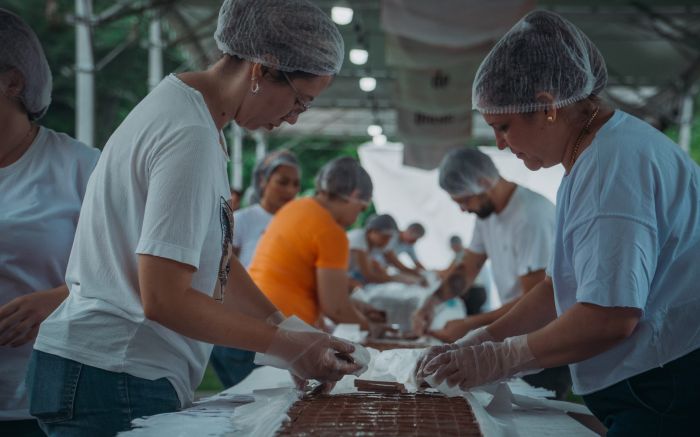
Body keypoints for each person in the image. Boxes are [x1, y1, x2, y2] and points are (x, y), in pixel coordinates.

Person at [27, 1, 360, 435]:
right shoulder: (190, 135)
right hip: (113, 371)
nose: (294, 118)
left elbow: (217, 258)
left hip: (107, 369)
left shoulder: (191, 116)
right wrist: (286, 345)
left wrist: (288, 331)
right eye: (300, 101)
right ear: (261, 69)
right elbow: (165, 298)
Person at [416, 10, 700, 436]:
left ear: (547, 107)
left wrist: (501, 356)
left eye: (504, 126)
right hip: (650, 378)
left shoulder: (611, 167)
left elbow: (608, 316)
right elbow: (559, 287)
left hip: (663, 380)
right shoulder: (596, 156)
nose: (500, 143)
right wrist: (487, 337)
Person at [0, 10, 100, 437]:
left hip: (43, 408)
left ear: (13, 82)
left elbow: (142, 274)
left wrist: (62, 299)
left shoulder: (80, 168)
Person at [414, 148, 570, 399]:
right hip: (515, 332)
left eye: (465, 201)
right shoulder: (486, 215)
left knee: (537, 415)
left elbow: (537, 300)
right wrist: (430, 304)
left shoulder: (531, 216)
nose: (464, 210)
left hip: (544, 338)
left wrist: (470, 326)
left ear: (485, 183)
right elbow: (468, 267)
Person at [249, 156, 378, 329]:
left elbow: (306, 282)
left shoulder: (295, 207)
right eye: (361, 208)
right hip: (281, 329)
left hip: (253, 314)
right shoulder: (331, 231)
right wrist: (372, 329)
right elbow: (336, 309)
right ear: (353, 195)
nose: (357, 217)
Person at [210, 149, 300, 387]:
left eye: (295, 184)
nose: (290, 190)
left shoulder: (296, 223)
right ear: (263, 181)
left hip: (277, 319)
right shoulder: (242, 220)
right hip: (241, 323)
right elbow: (224, 274)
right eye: (282, 182)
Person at [347, 214, 401, 285]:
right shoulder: (358, 237)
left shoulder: (372, 245)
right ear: (373, 231)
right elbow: (369, 275)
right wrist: (394, 279)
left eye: (389, 238)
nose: (387, 241)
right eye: (384, 237)